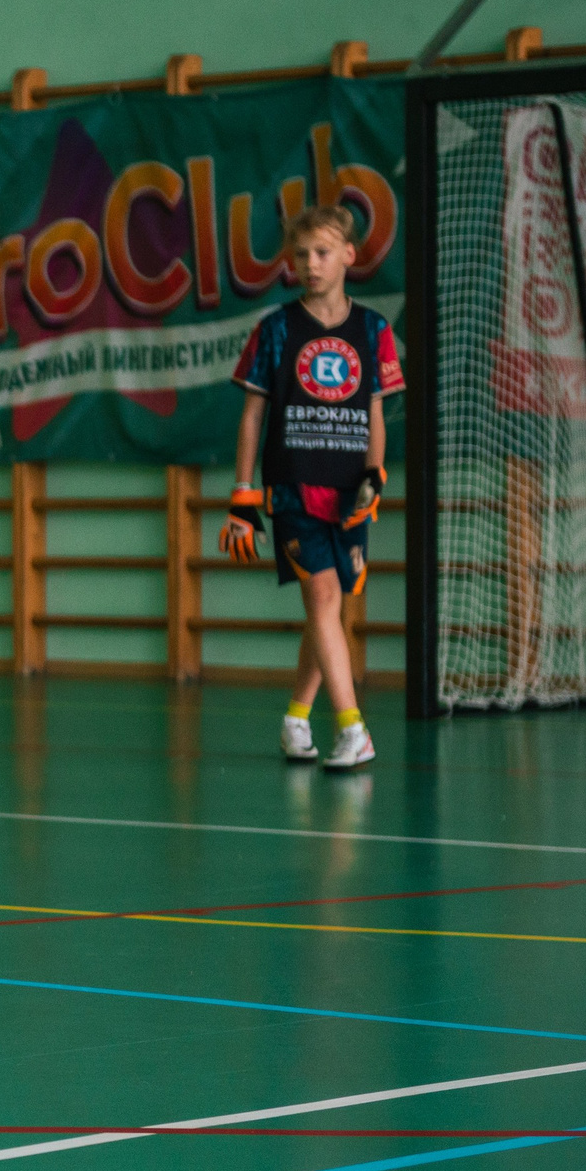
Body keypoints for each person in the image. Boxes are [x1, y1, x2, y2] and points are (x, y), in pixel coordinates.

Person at [222, 203, 396, 772]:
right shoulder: (275, 330)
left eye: (322, 253)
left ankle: (297, 717)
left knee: (331, 609)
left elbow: (374, 411)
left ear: (348, 256)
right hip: (293, 487)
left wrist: (375, 475)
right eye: (301, 255)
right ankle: (354, 729)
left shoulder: (374, 331)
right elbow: (252, 416)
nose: (310, 264)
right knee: (321, 599)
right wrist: (243, 494)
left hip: (350, 494)